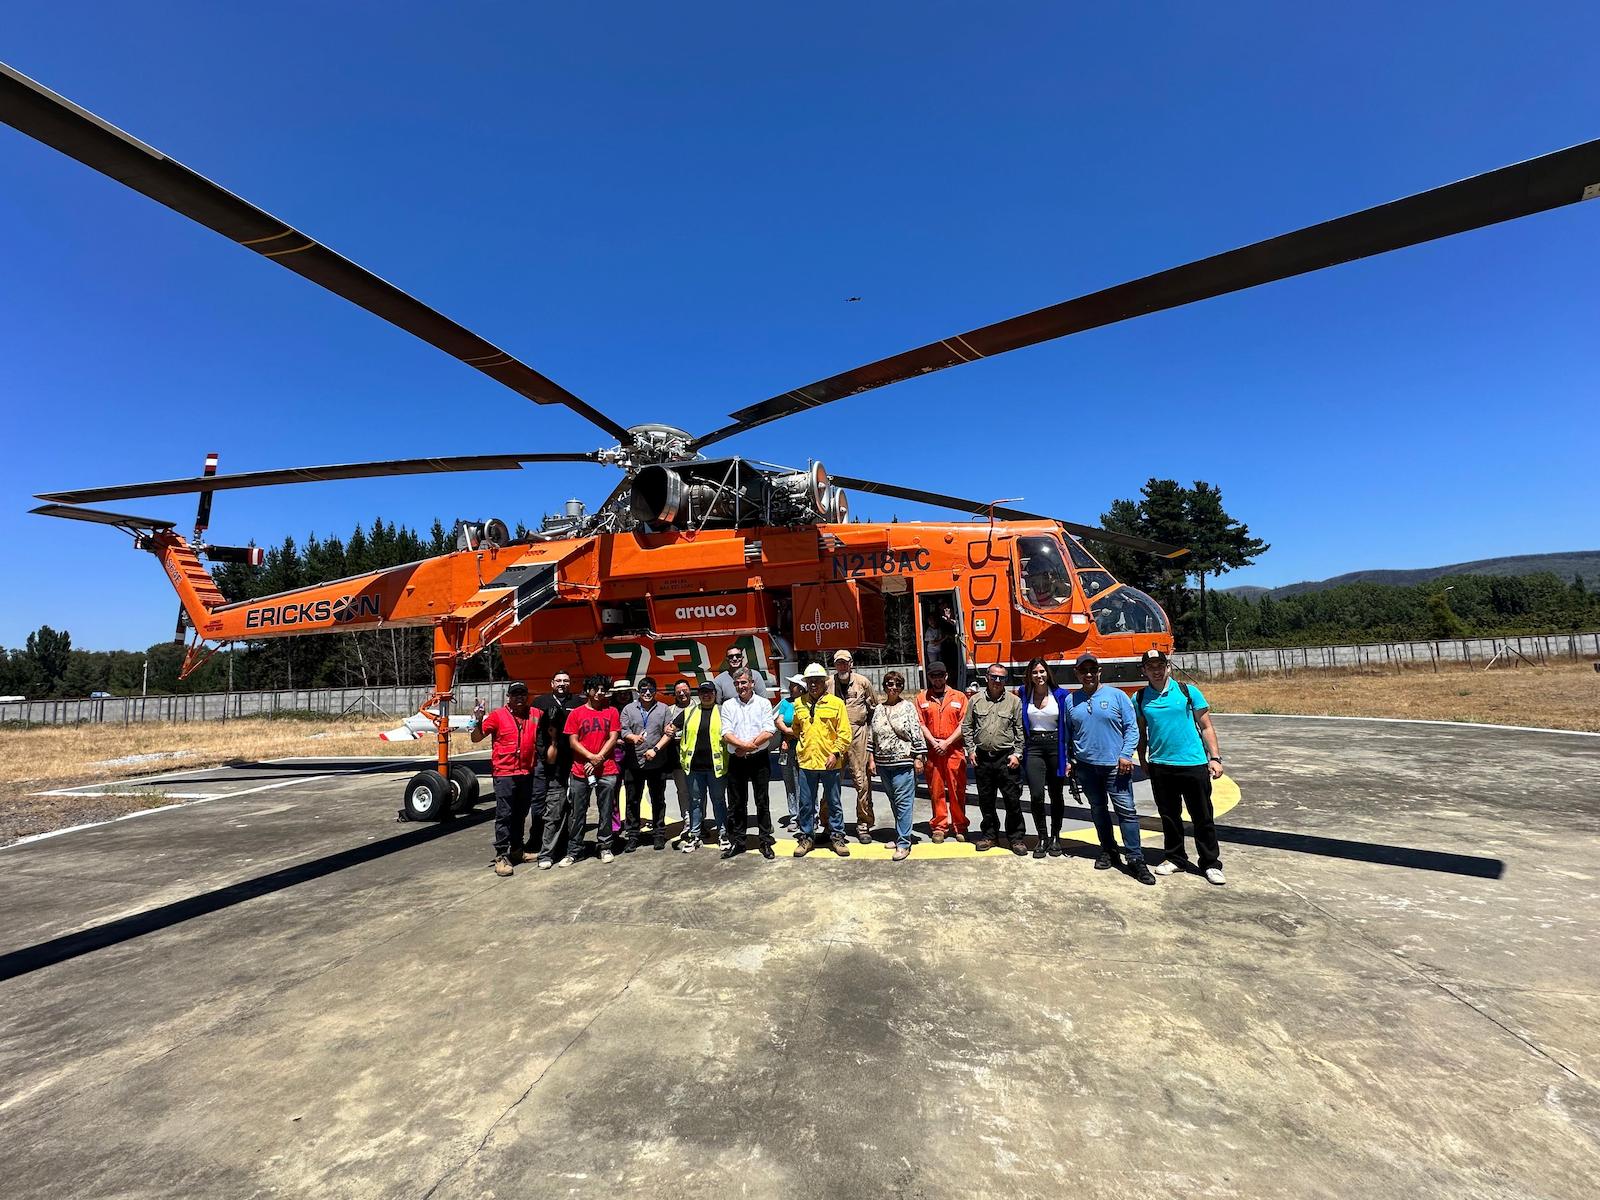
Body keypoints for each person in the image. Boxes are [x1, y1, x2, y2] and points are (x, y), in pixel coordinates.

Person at [1135, 648, 1227, 885]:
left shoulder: (1188, 692)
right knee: (1169, 816)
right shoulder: (1140, 697)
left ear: (1168, 667)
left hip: (1193, 763)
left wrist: (1215, 758)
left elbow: (1206, 726)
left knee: (1202, 816)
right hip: (1160, 765)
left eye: (1159, 666)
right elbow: (1141, 732)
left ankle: (1210, 863)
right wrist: (1143, 759)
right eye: (1150, 667)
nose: (1156, 670)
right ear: (1144, 670)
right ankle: (1175, 857)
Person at [1065, 652, 1154, 885]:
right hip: (1086, 767)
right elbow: (1069, 734)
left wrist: (1126, 755)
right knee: (1098, 809)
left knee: (1126, 811)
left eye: (1092, 670)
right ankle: (1109, 850)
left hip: (1116, 766)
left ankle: (1135, 858)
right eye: (1083, 671)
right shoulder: (1070, 701)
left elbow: (1132, 728)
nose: (1088, 674)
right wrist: (1070, 760)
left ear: (1099, 671)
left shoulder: (1117, 696)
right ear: (1076, 673)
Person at [471, 682, 540, 876]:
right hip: (505, 773)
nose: (519, 697)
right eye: (515, 694)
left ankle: (517, 850)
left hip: (526, 773)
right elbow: (476, 738)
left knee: (520, 814)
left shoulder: (535, 714)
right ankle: (501, 855)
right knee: (504, 815)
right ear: (508, 696)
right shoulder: (497, 716)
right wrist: (478, 720)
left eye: (523, 694)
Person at [791, 662, 853, 857]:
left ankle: (837, 836)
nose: (814, 684)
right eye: (810, 681)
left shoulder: (836, 704)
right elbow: (796, 728)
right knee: (806, 803)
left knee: (833, 802)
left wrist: (835, 753)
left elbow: (845, 733)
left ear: (825, 682)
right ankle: (806, 837)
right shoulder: (799, 703)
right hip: (807, 762)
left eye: (817, 681)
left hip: (830, 763)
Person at [559, 675, 622, 866]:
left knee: (606, 810)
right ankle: (574, 850)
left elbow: (613, 738)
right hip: (580, 770)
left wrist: (598, 758)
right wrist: (590, 757)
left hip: (607, 769)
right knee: (578, 812)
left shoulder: (611, 711)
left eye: (603, 690)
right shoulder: (576, 713)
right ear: (588, 691)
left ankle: (605, 846)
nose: (600, 693)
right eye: (596, 689)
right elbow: (572, 741)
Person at [866, 670, 927, 861]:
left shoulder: (908, 707)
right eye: (890, 684)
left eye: (898, 685)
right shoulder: (878, 709)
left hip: (903, 761)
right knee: (894, 801)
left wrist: (919, 757)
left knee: (904, 802)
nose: (893, 688)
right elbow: (872, 735)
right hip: (883, 762)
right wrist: (871, 759)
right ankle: (900, 834)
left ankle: (903, 842)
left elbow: (916, 731)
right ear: (884, 687)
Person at [962, 665, 1024, 852]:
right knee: (986, 800)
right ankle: (990, 836)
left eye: (1002, 678)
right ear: (986, 677)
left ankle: (1015, 838)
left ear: (1006, 680)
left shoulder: (1014, 702)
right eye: (994, 677)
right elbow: (967, 727)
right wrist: (971, 750)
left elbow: (1019, 730)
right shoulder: (975, 700)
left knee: (1012, 800)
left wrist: (1017, 754)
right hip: (983, 758)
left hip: (1006, 758)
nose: (997, 681)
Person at [720, 668, 778, 859]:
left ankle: (765, 842)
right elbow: (726, 733)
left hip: (759, 759)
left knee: (762, 801)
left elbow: (769, 730)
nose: (740, 687)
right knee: (737, 803)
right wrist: (744, 746)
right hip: (737, 760)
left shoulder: (763, 703)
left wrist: (747, 747)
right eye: (737, 684)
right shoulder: (728, 705)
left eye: (744, 683)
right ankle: (739, 842)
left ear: (752, 683)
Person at [665, 679, 728, 854]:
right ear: (699, 695)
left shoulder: (723, 711)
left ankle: (723, 834)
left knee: (719, 801)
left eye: (709, 692)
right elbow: (671, 728)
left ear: (715, 694)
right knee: (695, 802)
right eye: (703, 692)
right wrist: (667, 731)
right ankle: (695, 835)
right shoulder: (689, 712)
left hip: (716, 767)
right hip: (694, 768)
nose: (706, 695)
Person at [1018, 658, 1071, 859]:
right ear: (1029, 676)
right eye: (1034, 672)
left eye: (1042, 672)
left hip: (1055, 745)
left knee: (1056, 794)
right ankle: (1042, 836)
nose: (1039, 676)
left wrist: (1068, 757)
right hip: (1034, 748)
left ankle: (1056, 836)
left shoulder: (1061, 695)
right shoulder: (1024, 694)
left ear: (1047, 673)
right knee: (1036, 794)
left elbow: (1068, 726)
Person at [531, 669, 581, 865]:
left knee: (569, 803)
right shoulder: (540, 703)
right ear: (552, 683)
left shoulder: (577, 703)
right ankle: (536, 842)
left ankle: (563, 843)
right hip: (545, 761)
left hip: (570, 760)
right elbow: (532, 729)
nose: (562, 683)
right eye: (558, 680)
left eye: (566, 681)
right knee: (540, 804)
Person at [915, 662, 969, 843]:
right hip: (933, 751)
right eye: (933, 676)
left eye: (940, 675)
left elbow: (964, 724)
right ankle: (939, 826)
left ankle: (960, 825)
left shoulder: (959, 697)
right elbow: (920, 724)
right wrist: (934, 742)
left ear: (946, 676)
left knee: (957, 789)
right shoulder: (922, 698)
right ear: (929, 677)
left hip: (953, 749)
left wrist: (946, 742)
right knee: (936, 790)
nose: (937, 679)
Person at [830, 650, 879, 843]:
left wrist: (871, 742)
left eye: (845, 663)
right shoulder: (828, 684)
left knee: (862, 782)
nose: (842, 666)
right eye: (838, 663)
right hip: (835, 737)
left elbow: (874, 710)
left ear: (851, 663)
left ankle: (863, 824)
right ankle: (829, 824)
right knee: (831, 781)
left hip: (858, 735)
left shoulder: (863, 683)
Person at [621, 676, 673, 851]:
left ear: (655, 691)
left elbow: (669, 732)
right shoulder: (629, 709)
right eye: (644, 690)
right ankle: (633, 835)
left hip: (656, 762)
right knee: (632, 800)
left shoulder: (664, 709)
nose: (648, 693)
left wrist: (656, 749)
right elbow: (623, 730)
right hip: (633, 762)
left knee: (658, 799)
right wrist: (633, 737)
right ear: (638, 691)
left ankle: (658, 834)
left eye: (651, 689)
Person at [774, 674, 805, 830]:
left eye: (793, 684)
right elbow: (778, 720)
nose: (790, 687)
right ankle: (794, 815)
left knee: (804, 781)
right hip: (786, 745)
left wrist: (791, 733)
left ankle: (808, 814)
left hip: (803, 746)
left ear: (800, 688)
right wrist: (789, 732)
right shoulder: (786, 702)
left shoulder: (806, 702)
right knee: (789, 781)